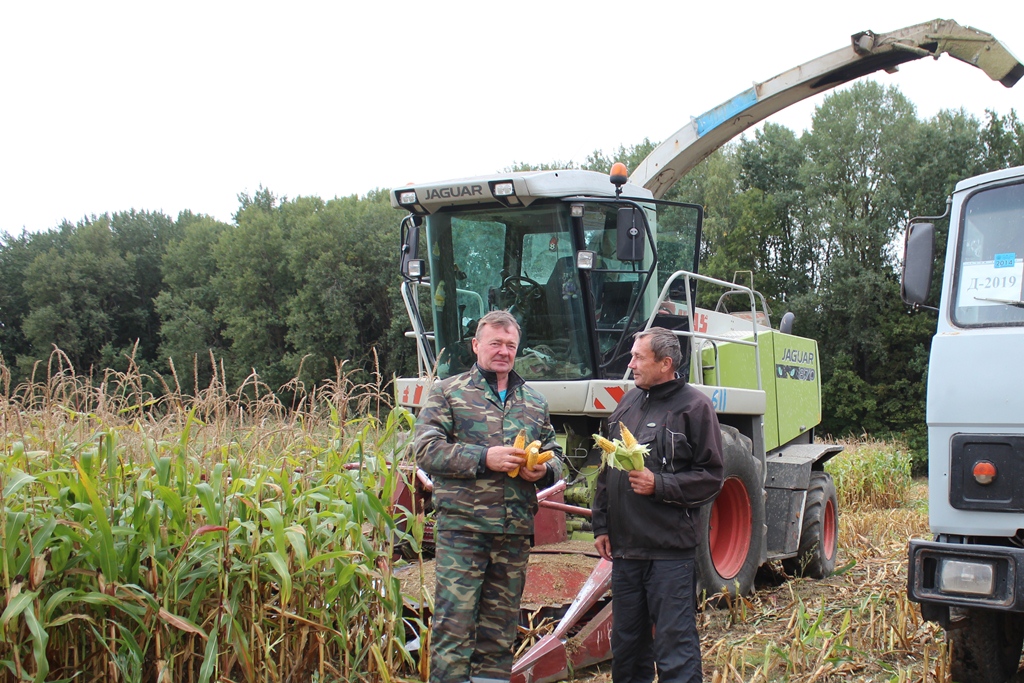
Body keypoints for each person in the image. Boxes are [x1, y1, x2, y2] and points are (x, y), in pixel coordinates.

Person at [414, 309, 562, 683]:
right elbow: (426, 450)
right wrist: (484, 458)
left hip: (513, 532)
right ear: (476, 345)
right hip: (464, 530)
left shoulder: (533, 401)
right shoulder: (448, 392)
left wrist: (544, 470)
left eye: (510, 345)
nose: (503, 351)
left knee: (499, 632)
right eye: (495, 343)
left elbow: (556, 456)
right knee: (454, 628)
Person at [592, 327, 724, 683]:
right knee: (627, 647)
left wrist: (659, 484)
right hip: (626, 553)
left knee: (674, 646)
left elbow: (712, 478)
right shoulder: (628, 403)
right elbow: (608, 470)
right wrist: (601, 524)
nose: (630, 363)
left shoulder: (695, 408)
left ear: (666, 363)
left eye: (638, 357)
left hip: (669, 553)